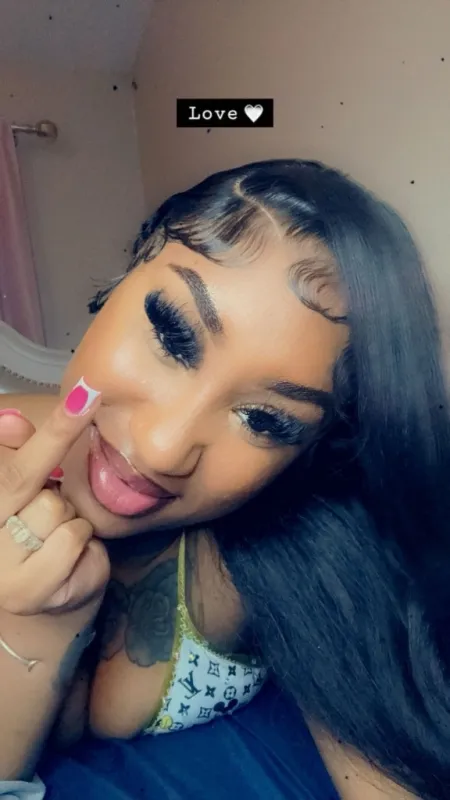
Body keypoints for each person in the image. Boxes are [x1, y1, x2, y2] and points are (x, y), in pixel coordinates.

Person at [0, 158, 449, 799]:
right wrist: (29, 636)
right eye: (173, 335)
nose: (163, 448)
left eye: (264, 419)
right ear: (131, 267)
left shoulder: (296, 545)